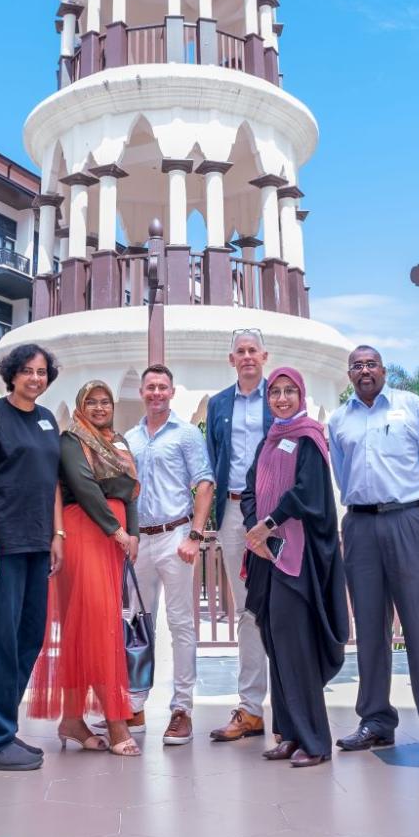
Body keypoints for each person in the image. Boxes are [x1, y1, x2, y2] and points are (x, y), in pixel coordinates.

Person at [328, 345, 419, 761]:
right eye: (357, 366)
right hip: (360, 524)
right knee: (369, 627)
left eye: (371, 364)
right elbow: (340, 470)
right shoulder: (339, 419)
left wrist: (414, 504)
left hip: (407, 518)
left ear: (383, 370)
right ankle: (375, 721)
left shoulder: (412, 406)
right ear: (349, 374)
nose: (364, 370)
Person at [242, 366, 348, 768]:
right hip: (266, 555)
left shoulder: (308, 438)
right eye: (275, 393)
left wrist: (268, 526)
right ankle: (287, 733)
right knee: (274, 642)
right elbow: (251, 489)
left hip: (295, 557)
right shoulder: (268, 442)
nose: (282, 398)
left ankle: (315, 739)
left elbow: (309, 493)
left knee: (295, 646)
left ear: (301, 395)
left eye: (289, 391)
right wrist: (257, 531)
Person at [0, 342, 64, 771]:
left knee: (28, 639)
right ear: (11, 374)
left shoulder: (46, 420)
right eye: (26, 371)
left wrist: (57, 534)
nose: (35, 378)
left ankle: (2, 729)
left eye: (41, 372)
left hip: (37, 545)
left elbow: (53, 481)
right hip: (0, 546)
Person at [30, 380, 141, 756]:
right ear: (80, 406)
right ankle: (115, 720)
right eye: (90, 401)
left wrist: (134, 533)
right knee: (99, 626)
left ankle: (73, 719)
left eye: (104, 401)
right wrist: (117, 531)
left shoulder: (118, 442)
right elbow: (85, 485)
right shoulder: (71, 439)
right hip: (85, 533)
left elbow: (131, 489)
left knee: (86, 628)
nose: (98, 407)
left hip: (114, 539)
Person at [124, 364, 213, 745]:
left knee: (181, 625)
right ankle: (135, 704)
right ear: (142, 392)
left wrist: (194, 535)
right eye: (150, 387)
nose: (156, 393)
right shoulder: (130, 438)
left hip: (175, 534)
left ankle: (182, 709)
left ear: (172, 392)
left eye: (163, 387)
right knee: (136, 624)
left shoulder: (187, 434)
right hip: (139, 540)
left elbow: (205, 483)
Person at [203, 328, 272, 742]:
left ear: (264, 356)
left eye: (252, 350)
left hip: (277, 514)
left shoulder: (279, 396)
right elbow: (213, 458)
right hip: (233, 511)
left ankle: (293, 705)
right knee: (247, 608)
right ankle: (250, 709)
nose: (246, 357)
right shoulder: (218, 405)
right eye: (239, 352)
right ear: (232, 360)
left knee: (287, 603)